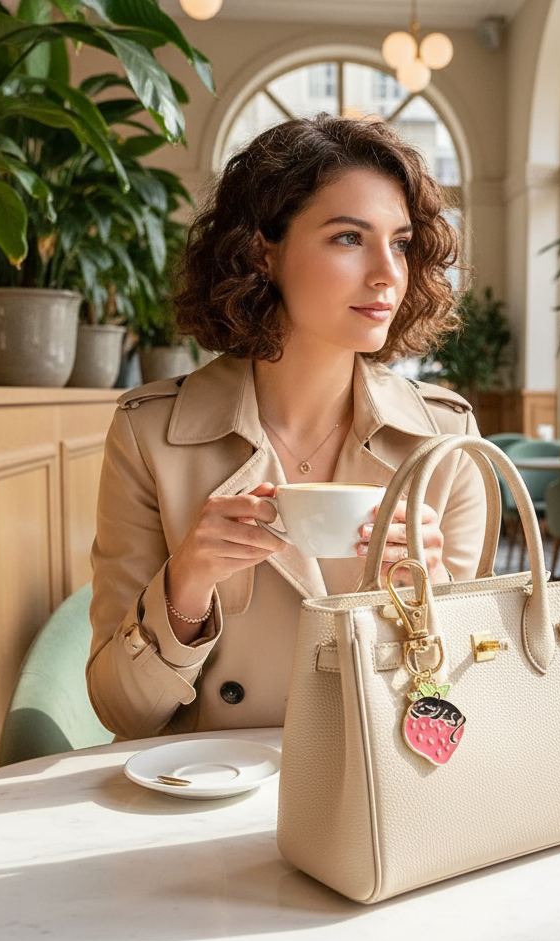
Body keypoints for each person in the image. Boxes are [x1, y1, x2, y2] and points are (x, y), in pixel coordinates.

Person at [87, 114, 488, 740]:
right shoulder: (151, 435)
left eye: (402, 242)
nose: (387, 272)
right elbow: (122, 711)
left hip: (376, 791)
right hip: (206, 795)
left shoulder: (444, 442)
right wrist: (187, 584)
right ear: (261, 251)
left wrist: (431, 591)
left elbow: (471, 704)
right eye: (349, 238)